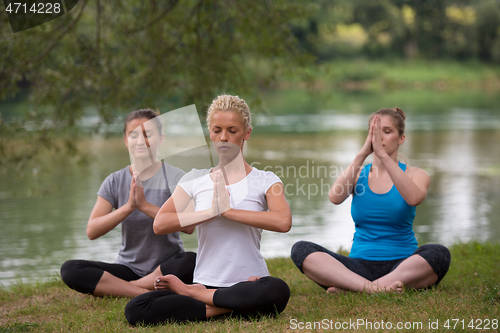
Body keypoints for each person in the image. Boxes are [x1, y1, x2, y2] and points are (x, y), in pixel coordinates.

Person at [124, 95, 292, 325]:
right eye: (217, 130)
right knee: (137, 308)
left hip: (251, 282)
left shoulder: (266, 180)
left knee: (277, 290)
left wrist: (228, 211)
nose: (224, 137)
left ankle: (197, 295)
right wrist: (211, 211)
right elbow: (160, 223)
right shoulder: (194, 178)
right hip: (208, 281)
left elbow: (283, 221)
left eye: (232, 130)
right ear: (210, 133)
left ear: (247, 133)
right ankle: (232, 304)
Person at [291, 107, 451, 294]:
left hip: (403, 266)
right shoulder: (358, 175)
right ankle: (375, 289)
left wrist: (383, 156)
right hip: (359, 266)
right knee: (301, 250)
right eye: (375, 132)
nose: (380, 138)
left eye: (387, 131)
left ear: (401, 139)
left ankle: (354, 288)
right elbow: (335, 197)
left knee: (439, 253)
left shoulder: (416, 174)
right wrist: (361, 155)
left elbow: (414, 197)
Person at [60, 109, 196, 298]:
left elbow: (189, 226)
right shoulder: (114, 181)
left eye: (148, 134)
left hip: (167, 266)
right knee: (70, 269)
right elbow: (92, 231)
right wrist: (128, 207)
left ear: (161, 139)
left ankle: (123, 288)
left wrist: (145, 206)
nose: (140, 141)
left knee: (191, 260)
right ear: (125, 140)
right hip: (128, 268)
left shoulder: (176, 177)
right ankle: (141, 291)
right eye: (133, 135)